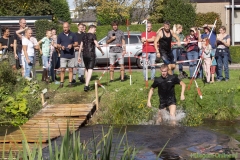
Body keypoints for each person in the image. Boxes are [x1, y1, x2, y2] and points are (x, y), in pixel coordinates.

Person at [78, 25, 104, 91]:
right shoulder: (93, 35)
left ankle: (87, 84)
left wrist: (79, 56)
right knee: (90, 69)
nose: (95, 31)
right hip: (91, 54)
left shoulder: (83, 36)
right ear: (91, 28)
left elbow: (81, 46)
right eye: (95, 29)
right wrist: (101, 51)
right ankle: (86, 86)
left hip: (84, 55)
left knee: (86, 69)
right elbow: (97, 45)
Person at [57, 22, 78, 88]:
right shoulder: (60, 35)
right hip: (63, 55)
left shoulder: (73, 34)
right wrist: (61, 47)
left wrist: (72, 45)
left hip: (71, 55)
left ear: (69, 27)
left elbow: (76, 43)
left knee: (70, 69)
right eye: (64, 27)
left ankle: (70, 83)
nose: (65, 29)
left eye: (66, 27)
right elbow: (58, 44)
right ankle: (61, 83)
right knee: (62, 69)